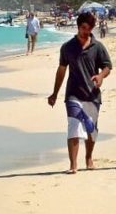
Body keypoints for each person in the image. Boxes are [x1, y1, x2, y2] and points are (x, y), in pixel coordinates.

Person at [47, 12, 112, 174]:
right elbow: (61, 70)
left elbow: (107, 66)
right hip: (73, 94)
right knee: (74, 127)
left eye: (89, 29)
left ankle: (89, 157)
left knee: (91, 129)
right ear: (78, 26)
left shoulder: (97, 47)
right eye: (83, 28)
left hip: (92, 94)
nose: (86, 32)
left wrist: (101, 76)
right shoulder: (67, 47)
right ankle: (73, 164)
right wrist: (55, 93)